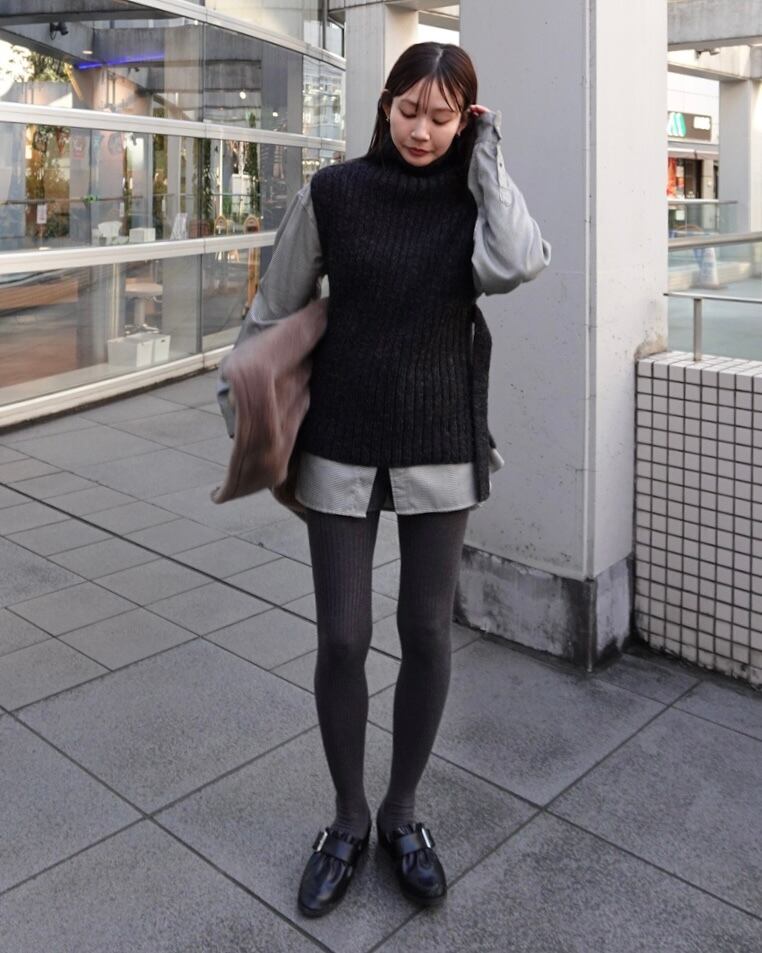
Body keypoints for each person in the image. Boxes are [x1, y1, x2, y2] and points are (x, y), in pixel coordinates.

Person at [217, 41, 551, 917]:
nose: (421, 131)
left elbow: (518, 262)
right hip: (341, 438)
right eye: (409, 110)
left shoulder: (472, 203)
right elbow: (277, 304)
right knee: (342, 637)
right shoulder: (335, 193)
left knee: (427, 632)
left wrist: (488, 159)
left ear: (466, 120)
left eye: (443, 117)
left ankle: (402, 815)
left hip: (441, 438)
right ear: (385, 104)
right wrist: (239, 390)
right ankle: (348, 819)